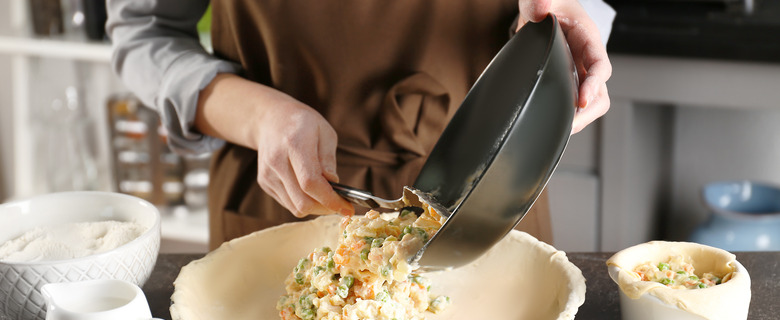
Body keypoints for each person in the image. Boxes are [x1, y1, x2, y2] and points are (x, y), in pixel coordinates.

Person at [107, 0, 614, 249]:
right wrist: (260, 116)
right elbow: (144, 31)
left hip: (491, 184)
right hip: (286, 197)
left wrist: (565, 21)